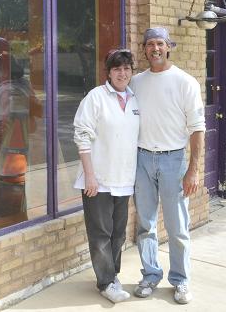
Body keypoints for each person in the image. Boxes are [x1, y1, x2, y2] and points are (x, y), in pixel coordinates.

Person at [130, 27, 205, 305]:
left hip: (174, 160)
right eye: (150, 44)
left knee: (177, 226)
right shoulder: (136, 82)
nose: (155, 49)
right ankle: (150, 275)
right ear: (145, 49)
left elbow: (198, 129)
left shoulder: (185, 82)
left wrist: (193, 169)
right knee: (145, 225)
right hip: (142, 159)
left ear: (168, 47)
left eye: (160, 43)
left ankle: (181, 280)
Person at [73, 49, 139, 303]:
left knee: (118, 234)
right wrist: (90, 176)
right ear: (109, 73)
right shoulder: (96, 97)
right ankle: (105, 282)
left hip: (124, 179)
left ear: (131, 71)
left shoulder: (134, 100)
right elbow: (82, 135)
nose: (122, 73)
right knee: (100, 233)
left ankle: (112, 275)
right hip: (98, 180)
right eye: (116, 69)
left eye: (126, 68)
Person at [0, 37, 42, 229]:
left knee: (5, 208)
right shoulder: (16, 88)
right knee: (13, 204)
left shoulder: (10, 91)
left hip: (8, 159)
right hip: (14, 157)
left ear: (5, 70)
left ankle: (8, 235)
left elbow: (4, 129)